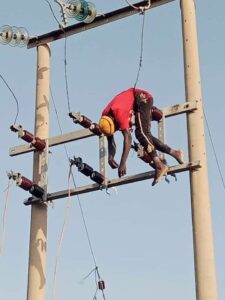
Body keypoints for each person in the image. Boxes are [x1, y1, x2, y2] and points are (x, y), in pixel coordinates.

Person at [98, 87, 184, 185]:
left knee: (141, 134)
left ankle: (159, 165)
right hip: (135, 103)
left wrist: (123, 163)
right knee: (146, 135)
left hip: (142, 98)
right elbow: (111, 141)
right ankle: (175, 153)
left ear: (114, 121)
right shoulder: (105, 119)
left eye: (117, 128)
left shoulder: (120, 114)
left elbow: (128, 139)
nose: (119, 129)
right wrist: (110, 157)